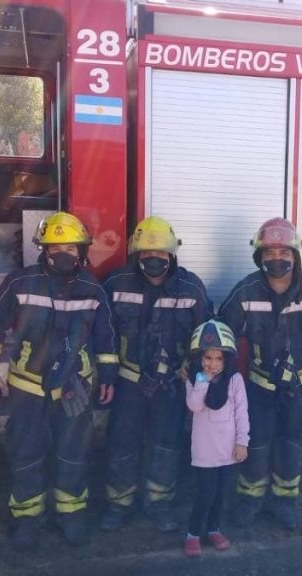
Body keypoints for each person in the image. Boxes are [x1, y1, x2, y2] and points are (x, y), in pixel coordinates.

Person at [0, 211, 118, 550]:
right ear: (43, 250)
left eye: (70, 246)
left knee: (73, 453)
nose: (63, 253)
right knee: (28, 452)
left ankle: (71, 515)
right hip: (27, 387)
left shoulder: (93, 288)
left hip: (75, 387)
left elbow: (107, 337)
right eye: (55, 247)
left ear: (82, 251)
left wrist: (108, 375)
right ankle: (27, 517)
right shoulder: (19, 283)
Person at [219, 217, 302, 530]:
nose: (277, 259)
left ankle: (284, 502)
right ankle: (250, 500)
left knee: (292, 445)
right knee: (256, 445)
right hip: (260, 387)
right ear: (260, 257)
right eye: (270, 253)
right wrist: (221, 376)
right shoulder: (246, 290)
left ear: (296, 256)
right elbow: (223, 332)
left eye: (284, 253)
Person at [100, 216, 213, 533]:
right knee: (122, 443)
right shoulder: (115, 284)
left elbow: (207, 338)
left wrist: (200, 383)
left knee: (167, 444)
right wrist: (105, 375)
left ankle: (159, 503)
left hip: (172, 384)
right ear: (136, 254)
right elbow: (101, 334)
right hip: (128, 383)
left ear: (172, 255)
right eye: (148, 253)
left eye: (162, 254)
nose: (155, 259)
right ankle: (118, 504)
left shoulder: (191, 288)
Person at [183, 319, 249, 558]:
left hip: (228, 451)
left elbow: (241, 413)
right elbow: (194, 406)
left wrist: (242, 442)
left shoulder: (235, 380)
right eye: (207, 358)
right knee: (206, 493)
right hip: (205, 453)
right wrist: (202, 381)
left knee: (222, 494)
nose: (213, 364)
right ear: (199, 358)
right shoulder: (195, 380)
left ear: (227, 359)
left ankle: (214, 529)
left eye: (219, 359)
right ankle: (192, 533)